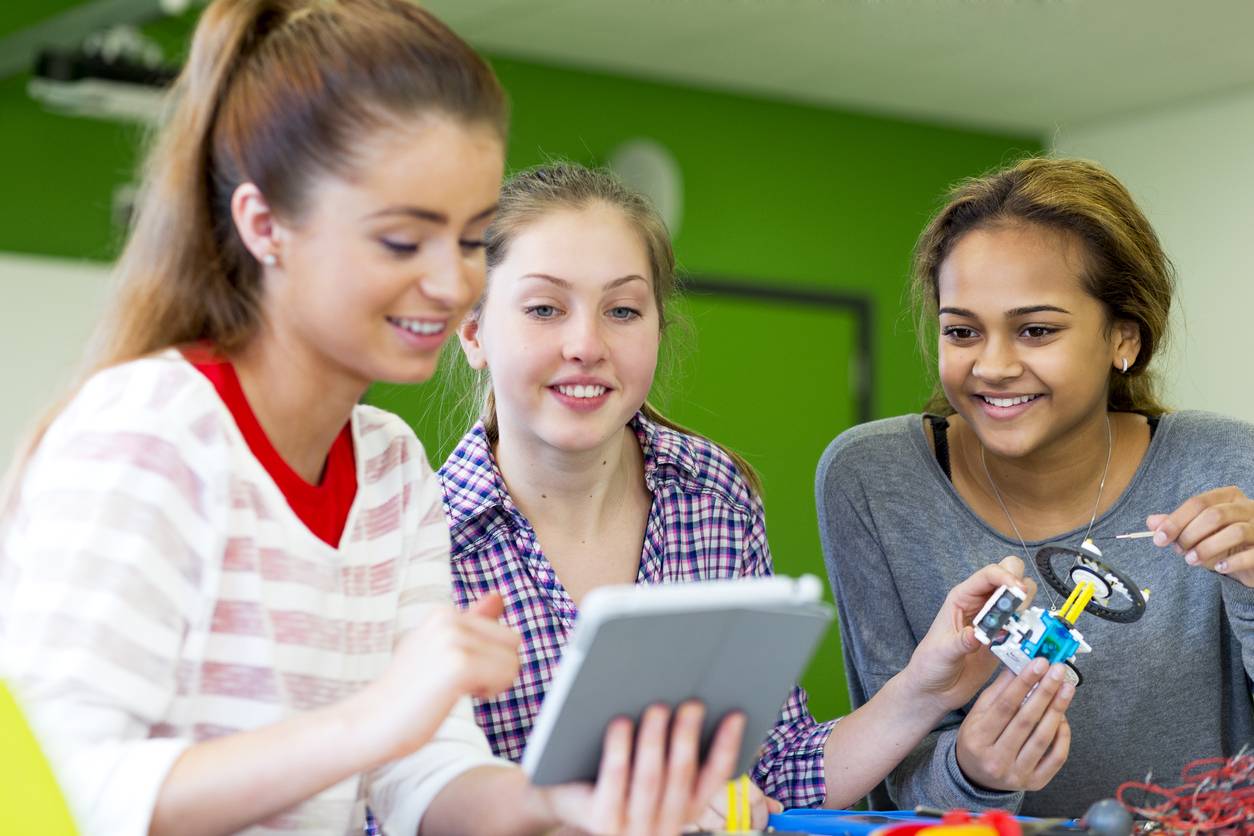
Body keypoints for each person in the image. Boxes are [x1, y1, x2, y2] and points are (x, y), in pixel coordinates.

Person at [0, 3, 745, 834]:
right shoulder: (151, 433)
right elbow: (55, 792)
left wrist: (562, 801)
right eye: (401, 242)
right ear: (265, 225)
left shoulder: (389, 466)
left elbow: (422, 772)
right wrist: (372, 721)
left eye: (468, 241)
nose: (450, 284)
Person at [440, 162, 1072, 827]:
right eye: (544, 308)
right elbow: (377, 807)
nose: (586, 345)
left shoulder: (712, 493)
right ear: (473, 329)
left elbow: (776, 769)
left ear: (657, 328)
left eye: (623, 310)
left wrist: (923, 687)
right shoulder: (421, 538)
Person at [818, 156, 1254, 817]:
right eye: (962, 331)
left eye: (1036, 330)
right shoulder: (873, 480)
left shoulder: (1226, 463)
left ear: (1124, 339)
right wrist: (972, 773)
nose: (992, 366)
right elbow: (883, 775)